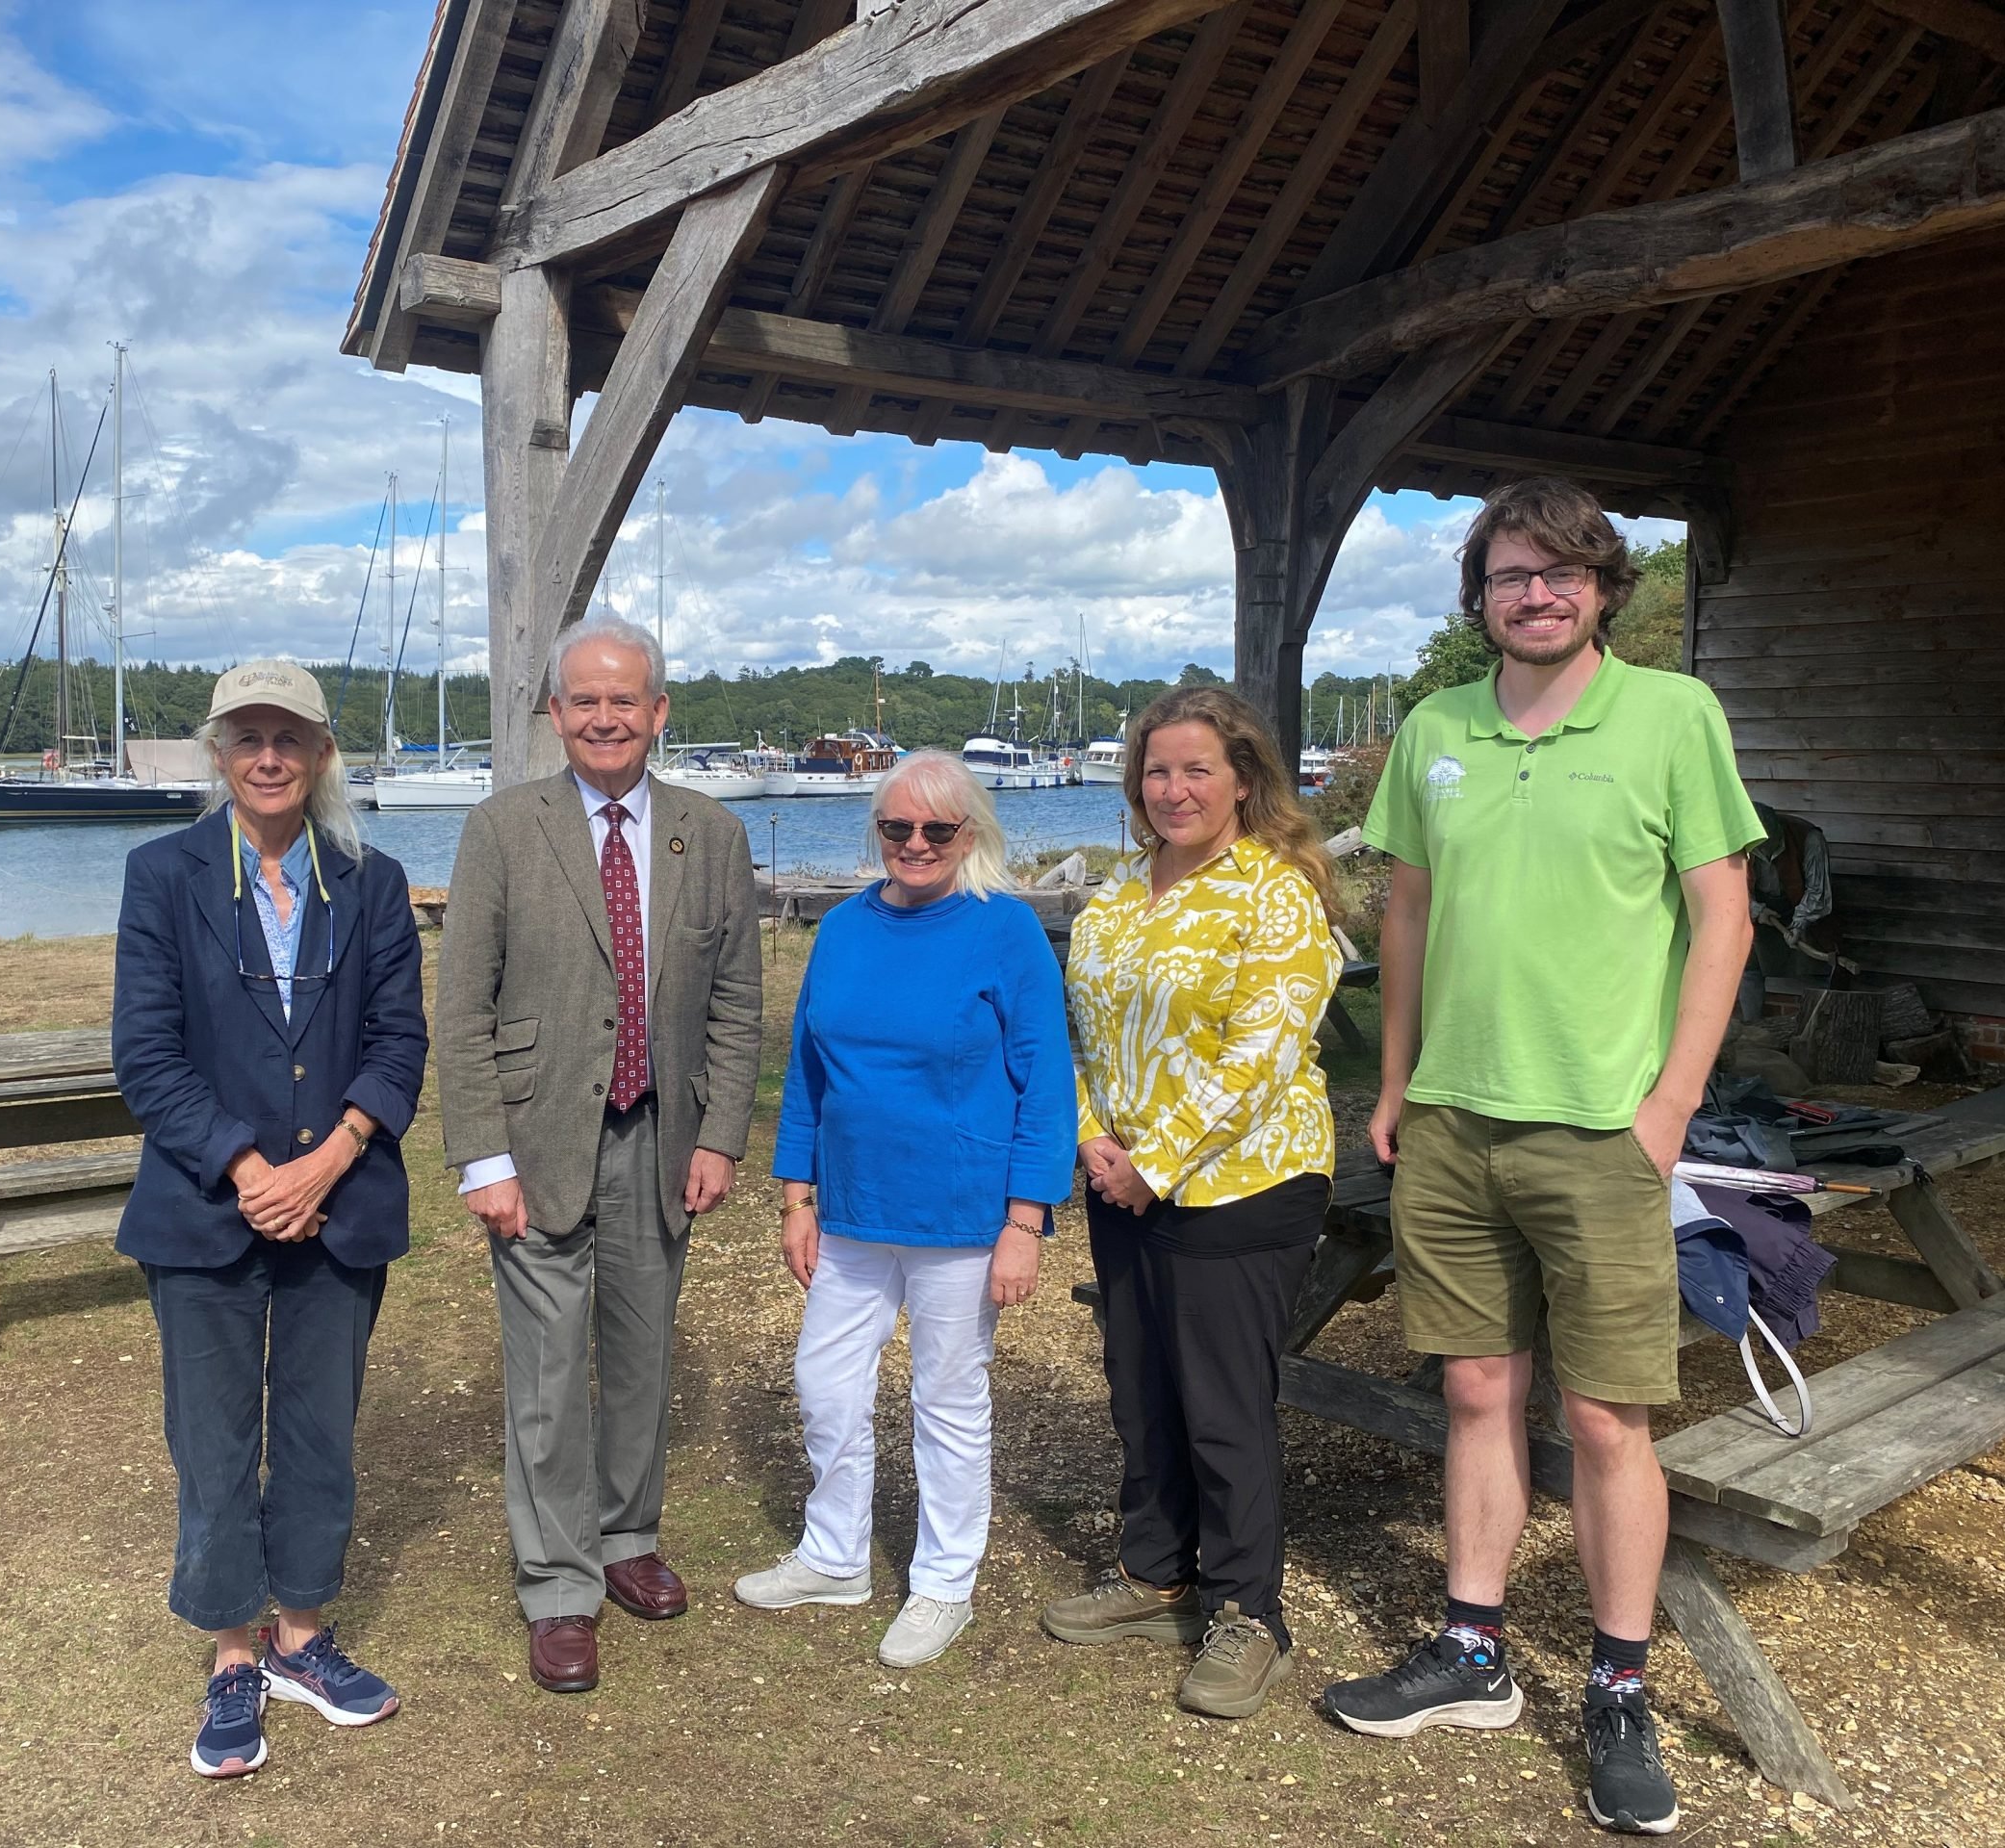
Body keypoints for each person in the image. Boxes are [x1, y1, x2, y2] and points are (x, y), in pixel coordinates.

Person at [1322, 477, 1760, 1836]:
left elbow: (1724, 919)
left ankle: (1619, 1684)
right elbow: (1406, 909)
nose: (1535, 594)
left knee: (1611, 1417)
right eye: (1511, 575)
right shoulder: (1437, 730)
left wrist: (1671, 1103)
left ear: (1603, 590)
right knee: (1475, 1392)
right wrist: (1393, 1083)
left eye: (1561, 574)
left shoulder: (1673, 717)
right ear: (1481, 593)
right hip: (1453, 1119)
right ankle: (1473, 1653)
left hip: (1602, 1125)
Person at [111, 659, 429, 1780]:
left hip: (340, 1211)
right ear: (219, 751)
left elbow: (400, 1045)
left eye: (289, 737)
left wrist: (332, 1158)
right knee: (213, 1440)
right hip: (205, 1211)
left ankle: (301, 1636)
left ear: (322, 751)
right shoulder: (161, 876)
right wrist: (250, 1165)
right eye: (247, 737)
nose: (269, 756)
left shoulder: (371, 880)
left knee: (316, 1432)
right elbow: (144, 1056)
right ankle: (233, 1653)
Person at [436, 616, 763, 1696]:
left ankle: (627, 1541)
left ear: (659, 711)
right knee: (544, 1379)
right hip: (536, 1142)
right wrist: (482, 1158)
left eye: (627, 700)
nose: (606, 717)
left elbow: (734, 1004)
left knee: (640, 1363)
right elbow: (462, 1008)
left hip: (661, 1139)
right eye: (586, 700)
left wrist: (719, 1134)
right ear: (555, 712)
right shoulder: (501, 828)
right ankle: (558, 1586)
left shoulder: (709, 834)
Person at [732, 752, 1074, 1668]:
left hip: (964, 1215)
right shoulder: (842, 929)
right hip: (852, 1206)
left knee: (949, 1398)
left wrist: (1026, 1220)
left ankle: (943, 1581)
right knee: (825, 1381)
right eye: (897, 828)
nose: (916, 844)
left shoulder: (1005, 931)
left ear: (971, 835)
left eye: (937, 830)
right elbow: (809, 1071)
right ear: (876, 833)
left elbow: (1047, 1083)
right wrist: (795, 1194)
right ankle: (836, 1553)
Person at [1040, 687, 1342, 1721]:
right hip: (1120, 1179)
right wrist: (1091, 1139)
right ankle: (1154, 1570)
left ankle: (1248, 1613)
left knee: (1222, 1406)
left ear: (1245, 780)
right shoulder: (1119, 896)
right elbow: (1070, 1036)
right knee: (1140, 1388)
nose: (1173, 789)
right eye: (1157, 771)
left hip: (1244, 1183)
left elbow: (1261, 1053)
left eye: (1196, 769)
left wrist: (1155, 1160)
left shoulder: (1276, 892)